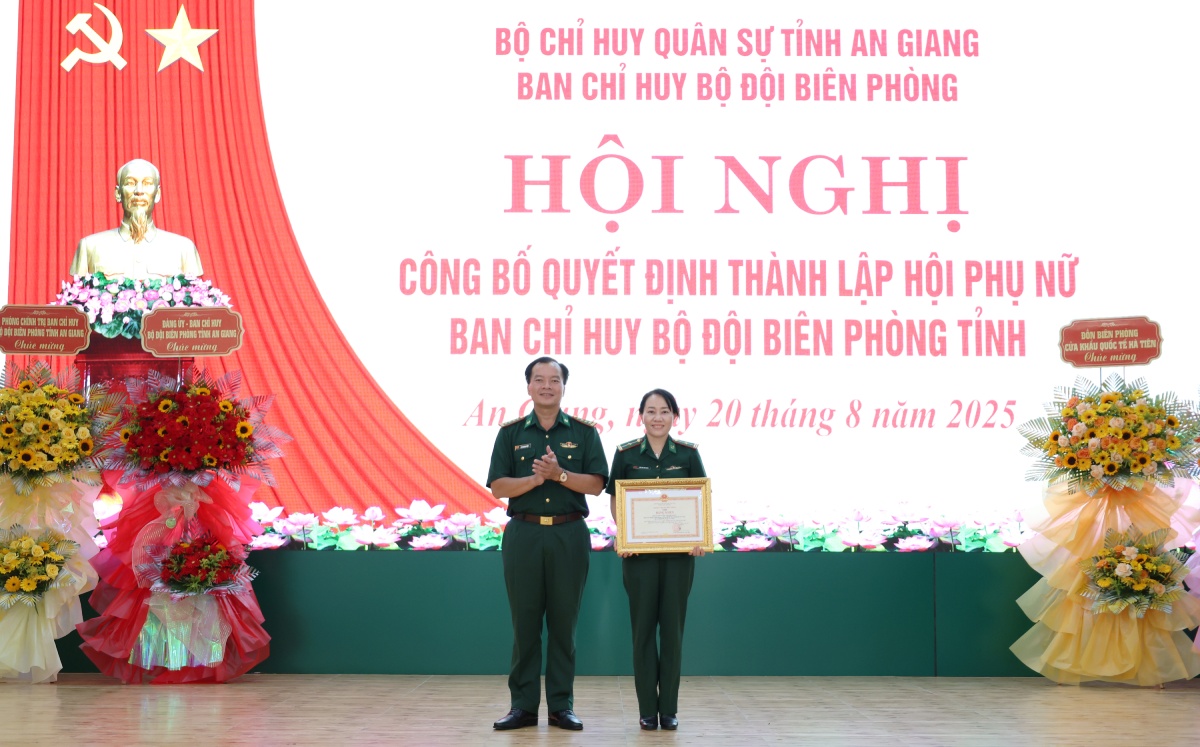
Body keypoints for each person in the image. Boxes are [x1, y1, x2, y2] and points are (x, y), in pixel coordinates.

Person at [487, 357, 608, 731]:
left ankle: (560, 706)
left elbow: (597, 484)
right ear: (528, 387)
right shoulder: (510, 434)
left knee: (563, 624)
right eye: (538, 380)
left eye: (554, 380)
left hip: (568, 534)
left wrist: (560, 475)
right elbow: (498, 486)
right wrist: (535, 481)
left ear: (563, 387)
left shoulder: (584, 433)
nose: (546, 386)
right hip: (523, 535)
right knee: (524, 625)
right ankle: (522, 707)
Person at [607, 388, 706, 732]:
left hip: (679, 558)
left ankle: (670, 709)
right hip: (639, 558)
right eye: (651, 411)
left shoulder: (689, 454)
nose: (658, 417)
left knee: (673, 633)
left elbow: (699, 498)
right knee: (643, 632)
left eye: (664, 411)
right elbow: (615, 498)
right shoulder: (626, 454)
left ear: (675, 417)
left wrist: (698, 538)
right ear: (641, 416)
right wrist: (624, 534)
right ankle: (648, 709)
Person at [69, 158, 204, 279]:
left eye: (147, 183)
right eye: (130, 183)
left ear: (157, 194)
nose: (139, 191)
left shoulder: (183, 249)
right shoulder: (90, 247)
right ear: (118, 193)